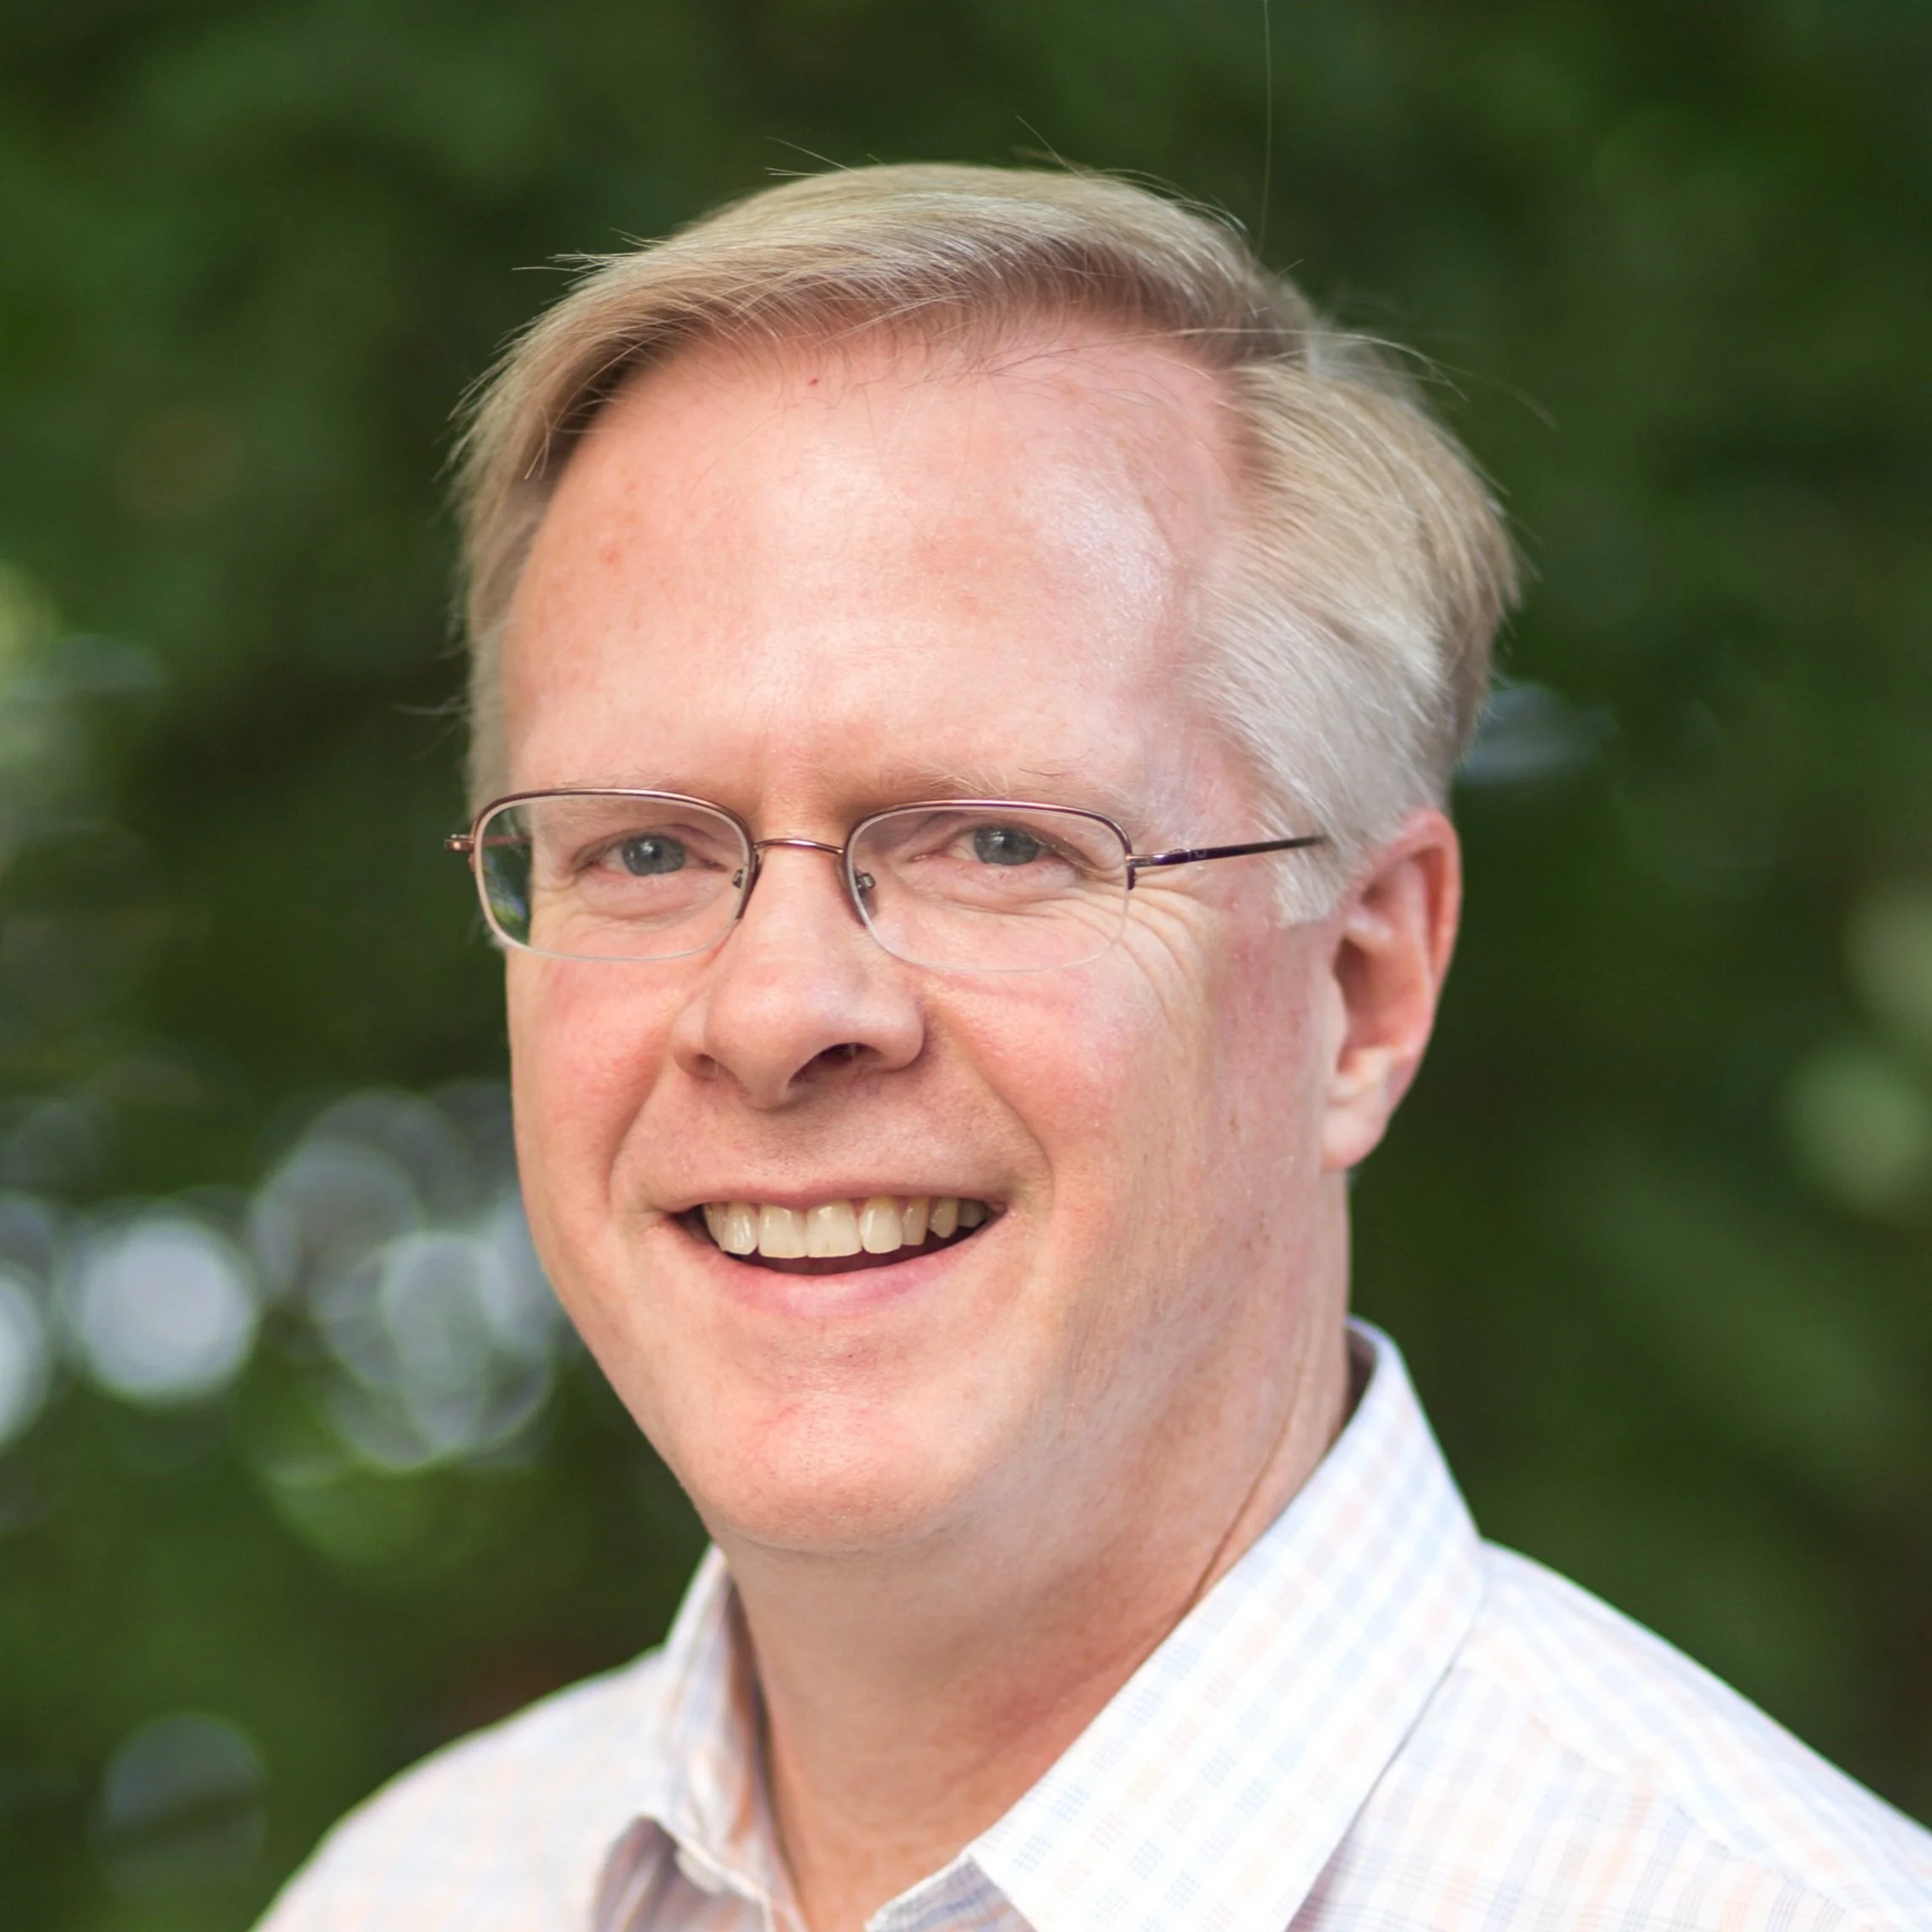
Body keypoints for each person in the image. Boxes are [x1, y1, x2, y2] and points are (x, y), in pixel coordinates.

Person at [258, 165, 1932, 1932]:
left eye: (995, 844)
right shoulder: (415, 1887)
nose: (773, 1013)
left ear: (1361, 989)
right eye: (645, 851)